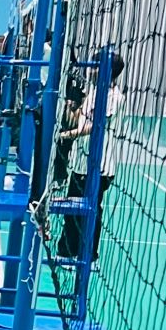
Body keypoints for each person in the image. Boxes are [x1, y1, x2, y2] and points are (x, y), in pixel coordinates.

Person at [56, 53, 124, 260]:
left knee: (91, 210)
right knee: (72, 207)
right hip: (81, 162)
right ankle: (67, 251)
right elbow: (78, 120)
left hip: (99, 166)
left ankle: (87, 255)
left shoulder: (114, 97)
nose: (91, 70)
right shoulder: (93, 92)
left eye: (95, 66)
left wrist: (66, 135)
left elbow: (96, 127)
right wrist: (69, 103)